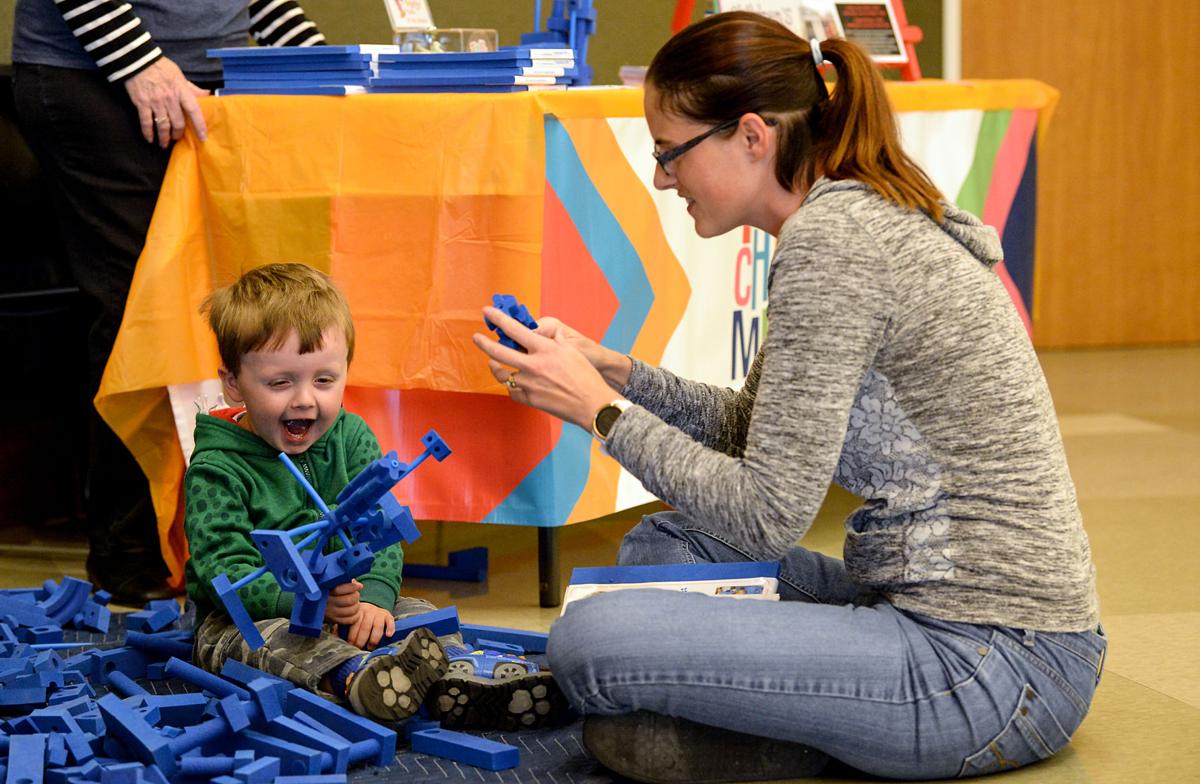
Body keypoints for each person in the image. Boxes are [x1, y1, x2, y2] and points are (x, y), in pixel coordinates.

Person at [473, 11, 1104, 782]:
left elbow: (768, 513)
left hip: (991, 662)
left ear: (751, 135)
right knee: (665, 550)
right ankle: (815, 723)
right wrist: (618, 372)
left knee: (587, 643)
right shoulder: (842, 217)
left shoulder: (835, 244)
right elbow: (754, 431)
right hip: (927, 611)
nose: (662, 178)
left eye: (671, 153)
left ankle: (819, 730)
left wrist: (598, 413)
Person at [10, 0, 326, 604]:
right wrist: (141, 63)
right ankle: (129, 553)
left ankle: (231, 533)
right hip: (101, 78)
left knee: (239, 306)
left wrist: (324, 64)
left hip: (216, 86)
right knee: (141, 314)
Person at [186, 263, 570, 729]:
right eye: (280, 383)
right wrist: (308, 605)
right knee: (262, 646)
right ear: (233, 383)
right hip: (245, 618)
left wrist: (375, 599)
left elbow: (382, 532)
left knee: (421, 614)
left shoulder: (352, 437)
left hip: (351, 600)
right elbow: (222, 570)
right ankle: (357, 681)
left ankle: (462, 680)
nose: (306, 400)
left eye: (324, 380)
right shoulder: (216, 467)